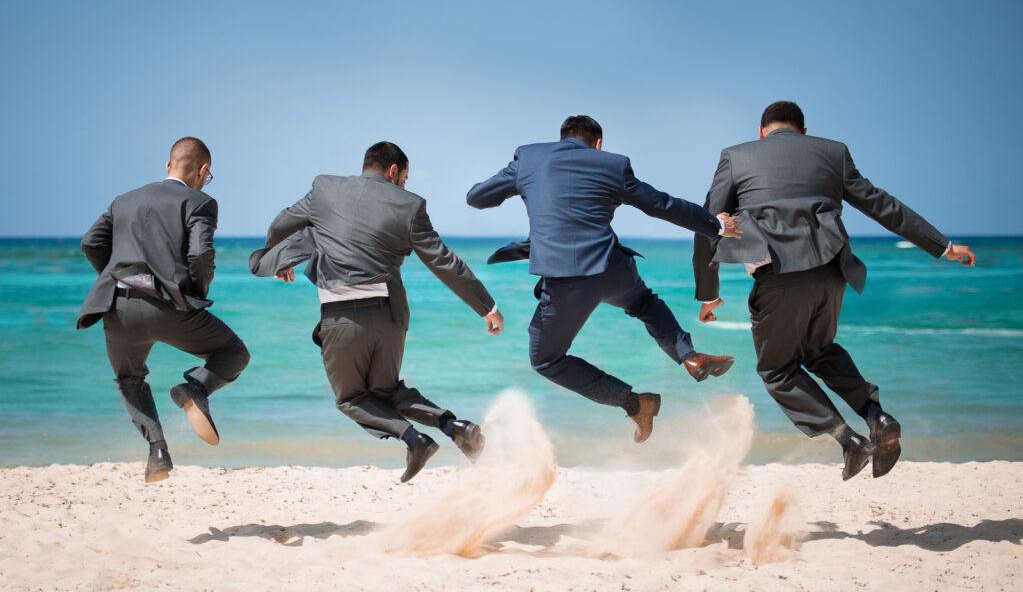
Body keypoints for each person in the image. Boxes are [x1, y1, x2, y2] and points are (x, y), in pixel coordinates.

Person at [692, 101, 976, 480]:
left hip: (778, 274)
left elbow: (707, 224)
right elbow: (882, 205)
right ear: (803, 132)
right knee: (820, 351)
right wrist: (942, 246)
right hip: (832, 272)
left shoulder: (736, 156)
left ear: (761, 131)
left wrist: (708, 294)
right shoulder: (833, 152)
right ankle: (879, 417)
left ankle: (848, 440)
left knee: (777, 370)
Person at [467, 115, 741, 444]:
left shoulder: (529, 158)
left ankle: (635, 403)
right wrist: (717, 225)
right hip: (611, 267)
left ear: (561, 138)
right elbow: (661, 205)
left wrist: (519, 183)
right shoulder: (612, 164)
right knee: (644, 303)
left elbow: (478, 197)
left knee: (546, 359)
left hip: (565, 279)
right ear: (598, 144)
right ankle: (689, 356)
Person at [250, 141, 503, 483]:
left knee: (351, 398)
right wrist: (487, 306)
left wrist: (276, 256)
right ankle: (453, 425)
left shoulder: (324, 188)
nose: (404, 186)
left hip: (341, 318)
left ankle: (414, 439)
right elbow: (444, 262)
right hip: (389, 316)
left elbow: (283, 221)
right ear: (393, 171)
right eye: (405, 178)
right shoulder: (411, 206)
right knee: (386, 392)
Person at [77, 137, 250, 483]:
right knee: (233, 352)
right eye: (208, 176)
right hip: (169, 307)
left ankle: (158, 451)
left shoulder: (123, 200)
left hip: (118, 309)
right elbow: (201, 256)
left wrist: (116, 278)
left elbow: (91, 243)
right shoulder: (200, 201)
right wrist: (193, 294)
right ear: (203, 171)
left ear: (168, 165)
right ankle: (196, 388)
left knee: (129, 378)